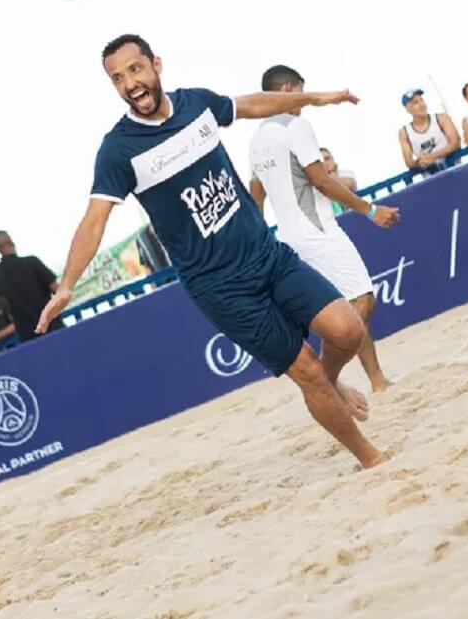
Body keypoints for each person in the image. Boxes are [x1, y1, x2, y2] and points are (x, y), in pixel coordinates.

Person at [36, 34, 388, 470]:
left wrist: (314, 98)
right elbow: (94, 221)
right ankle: (370, 458)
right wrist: (67, 285)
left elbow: (252, 104)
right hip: (221, 287)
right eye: (118, 78)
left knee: (348, 331)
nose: (130, 83)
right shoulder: (118, 151)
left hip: (266, 254)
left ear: (156, 65)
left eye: (135, 69)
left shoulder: (196, 106)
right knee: (308, 372)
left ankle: (332, 385)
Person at [248, 64, 399, 394]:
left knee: (347, 306)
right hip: (316, 229)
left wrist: (261, 244)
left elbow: (255, 199)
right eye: (301, 91)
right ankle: (326, 380)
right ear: (288, 90)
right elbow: (321, 180)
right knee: (362, 300)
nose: (303, 100)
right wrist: (370, 210)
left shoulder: (257, 140)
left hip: (287, 239)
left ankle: (376, 380)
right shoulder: (296, 125)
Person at [0, 232, 63, 341]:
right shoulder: (32, 262)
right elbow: (57, 290)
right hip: (53, 326)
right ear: (12, 243)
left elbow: (4, 307)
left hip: (27, 336)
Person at [397, 89, 460, 173]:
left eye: (421, 100)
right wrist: (419, 163)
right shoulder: (404, 132)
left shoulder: (441, 118)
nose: (421, 105)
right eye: (415, 103)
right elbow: (409, 162)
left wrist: (432, 157)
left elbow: (455, 143)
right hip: (432, 178)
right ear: (408, 109)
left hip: (455, 169)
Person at [319, 148, 357, 217]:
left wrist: (332, 174)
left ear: (333, 160)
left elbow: (351, 185)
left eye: (327, 159)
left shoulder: (345, 173)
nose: (325, 163)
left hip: (350, 217)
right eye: (320, 161)